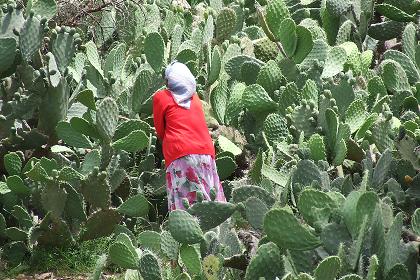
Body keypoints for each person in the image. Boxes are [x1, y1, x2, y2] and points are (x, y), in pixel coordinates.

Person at [153, 61, 226, 211]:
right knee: (211, 198)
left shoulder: (161, 97)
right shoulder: (195, 99)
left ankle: (192, 233)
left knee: (185, 205)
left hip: (180, 154)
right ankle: (221, 231)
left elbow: (160, 131)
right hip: (206, 153)